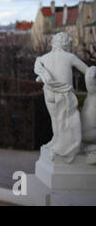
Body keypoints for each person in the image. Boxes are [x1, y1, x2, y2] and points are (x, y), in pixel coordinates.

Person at [34, 32, 88, 163]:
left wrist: (44, 76)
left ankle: (56, 139)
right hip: (65, 93)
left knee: (55, 118)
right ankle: (64, 143)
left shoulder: (44, 58)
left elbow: (39, 79)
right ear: (65, 44)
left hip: (49, 93)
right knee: (66, 119)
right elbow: (87, 70)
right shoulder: (70, 57)